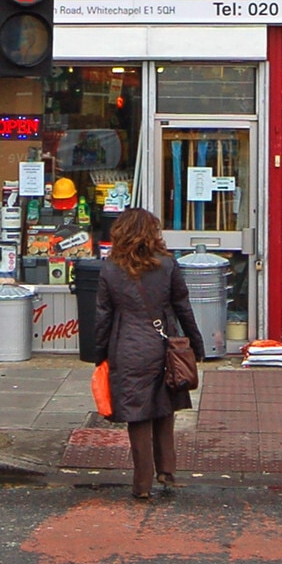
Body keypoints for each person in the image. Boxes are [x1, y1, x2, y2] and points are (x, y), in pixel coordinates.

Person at [93, 207, 206, 501]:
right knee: (163, 404)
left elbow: (103, 315)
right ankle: (167, 470)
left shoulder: (110, 268)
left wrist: (99, 352)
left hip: (127, 347)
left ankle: (142, 484)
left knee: (138, 415)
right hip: (163, 344)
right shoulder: (167, 265)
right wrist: (196, 343)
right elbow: (183, 306)